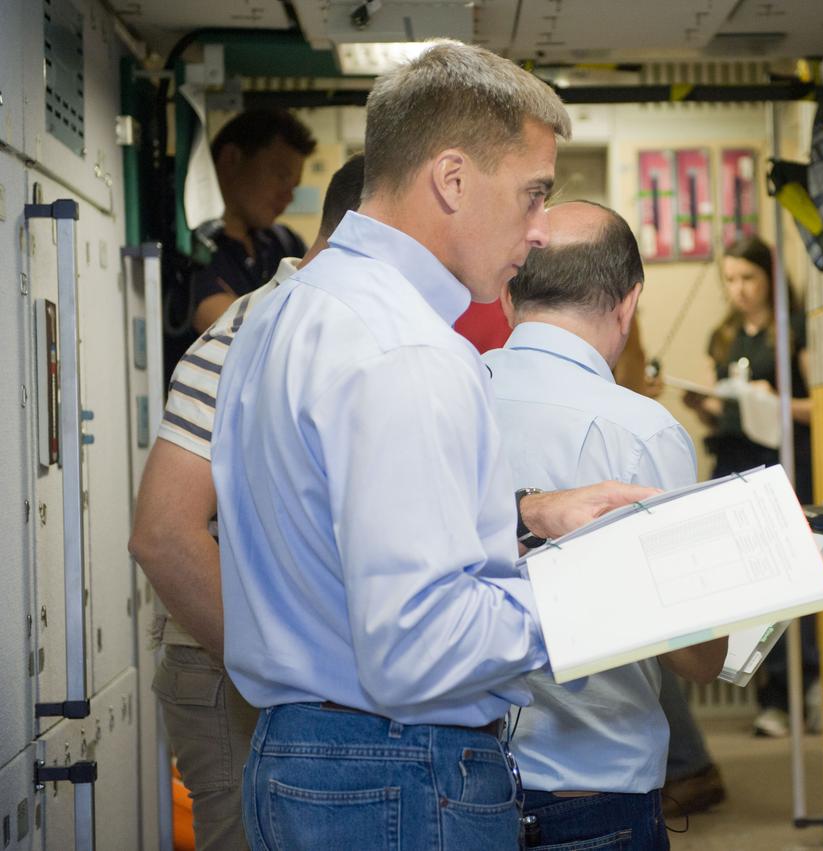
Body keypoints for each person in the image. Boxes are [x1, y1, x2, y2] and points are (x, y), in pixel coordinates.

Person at [210, 40, 652, 850]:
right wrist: (614, 588)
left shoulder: (285, 311)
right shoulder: (407, 348)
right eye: (533, 194)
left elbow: (338, 529)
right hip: (398, 774)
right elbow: (420, 642)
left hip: (302, 759)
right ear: (452, 179)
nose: (541, 230)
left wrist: (524, 517)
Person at [129, 153, 365, 851]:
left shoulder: (328, 326)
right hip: (234, 667)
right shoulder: (257, 328)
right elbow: (163, 536)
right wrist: (293, 676)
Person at [484, 201, 728, 849]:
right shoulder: (643, 430)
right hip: (591, 785)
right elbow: (698, 655)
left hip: (461, 779)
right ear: (629, 303)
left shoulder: (445, 391)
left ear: (507, 296)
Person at [680, 236, 820, 738]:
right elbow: (723, 406)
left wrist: (772, 401)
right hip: (733, 462)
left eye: (748, 278)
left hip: (782, 465)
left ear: (770, 279)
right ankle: (769, 696)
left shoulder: (793, 332)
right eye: (730, 280)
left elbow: (820, 407)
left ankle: (798, 689)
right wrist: (704, 406)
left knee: (787, 581)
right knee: (746, 588)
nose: (738, 290)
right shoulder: (724, 337)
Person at [189, 109, 316, 335]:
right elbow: (229, 328)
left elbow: (320, 309)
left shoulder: (286, 244)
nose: (289, 197)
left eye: (294, 186)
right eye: (281, 177)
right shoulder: (190, 249)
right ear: (231, 159)